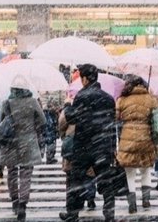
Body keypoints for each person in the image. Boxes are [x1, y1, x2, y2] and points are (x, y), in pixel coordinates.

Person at [60, 64, 116, 222]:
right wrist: (113, 148)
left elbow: (73, 118)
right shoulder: (108, 98)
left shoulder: (81, 96)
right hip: (103, 146)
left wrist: (68, 107)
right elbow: (113, 125)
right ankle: (109, 213)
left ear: (84, 79)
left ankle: (72, 213)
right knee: (106, 181)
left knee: (75, 181)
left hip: (83, 146)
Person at [0, 75, 45, 221]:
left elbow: (2, 121)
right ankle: (23, 205)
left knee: (12, 172)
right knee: (26, 174)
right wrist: (32, 127)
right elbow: (42, 120)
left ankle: (14, 201)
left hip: (11, 143)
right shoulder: (32, 102)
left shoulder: (6, 103)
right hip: (28, 142)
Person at [115, 75, 156, 213]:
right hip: (146, 137)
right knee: (146, 171)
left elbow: (116, 117)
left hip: (128, 137)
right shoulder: (150, 98)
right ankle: (146, 200)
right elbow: (156, 118)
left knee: (129, 172)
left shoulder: (122, 99)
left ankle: (132, 204)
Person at [58, 94, 96, 211]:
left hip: (71, 145)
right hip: (85, 146)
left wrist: (64, 136)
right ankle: (90, 197)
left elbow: (61, 125)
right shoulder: (91, 111)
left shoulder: (69, 111)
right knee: (88, 174)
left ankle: (72, 201)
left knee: (71, 176)